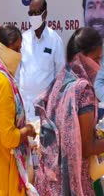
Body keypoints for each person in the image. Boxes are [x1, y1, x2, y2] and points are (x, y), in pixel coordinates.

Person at [34, 27, 104, 195]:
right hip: (72, 184)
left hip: (49, 181)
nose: (98, 66)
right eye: (95, 59)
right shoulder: (83, 90)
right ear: (81, 57)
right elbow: (87, 147)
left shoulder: (61, 81)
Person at [0, 25, 37, 196]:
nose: (19, 55)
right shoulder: (2, 83)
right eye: (15, 49)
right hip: (4, 167)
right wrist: (28, 130)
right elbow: (9, 138)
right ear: (2, 48)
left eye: (20, 49)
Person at [17, 0, 65, 122]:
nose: (33, 17)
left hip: (45, 109)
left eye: (36, 13)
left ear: (45, 14)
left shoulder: (55, 40)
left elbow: (61, 76)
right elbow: (16, 74)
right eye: (30, 13)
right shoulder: (23, 40)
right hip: (24, 107)